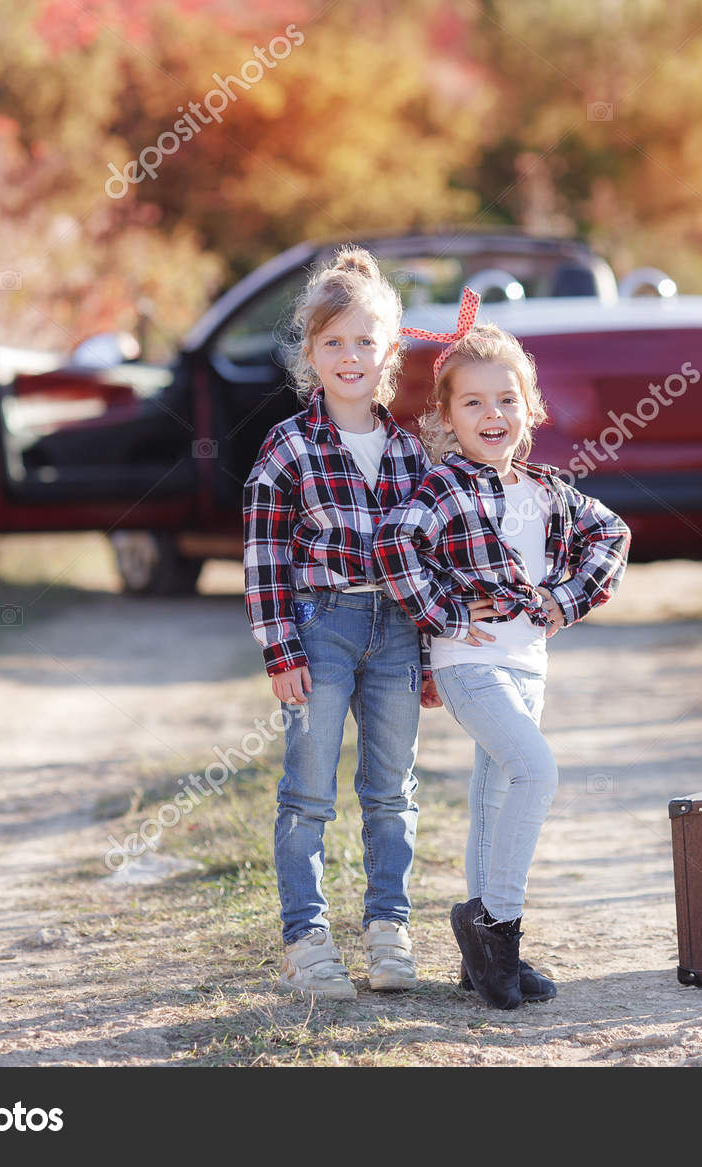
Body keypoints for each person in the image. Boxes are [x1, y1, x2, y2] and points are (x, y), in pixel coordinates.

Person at [375, 295, 630, 1009]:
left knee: (493, 797)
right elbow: (396, 544)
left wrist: (563, 599)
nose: (494, 415)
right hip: (469, 665)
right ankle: (497, 923)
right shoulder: (446, 487)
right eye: (474, 404)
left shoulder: (549, 490)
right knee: (536, 771)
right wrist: (447, 615)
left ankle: (484, 961)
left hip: (527, 662)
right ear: (446, 417)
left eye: (507, 400)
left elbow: (612, 536)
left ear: (530, 408)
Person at [243, 246, 436, 999]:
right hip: (321, 625)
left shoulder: (412, 449)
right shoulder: (289, 445)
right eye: (333, 343)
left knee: (392, 789)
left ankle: (388, 927)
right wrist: (279, 647)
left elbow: (432, 550)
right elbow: (262, 555)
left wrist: (432, 645)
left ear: (390, 350)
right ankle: (306, 938)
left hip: (396, 629)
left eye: (364, 341)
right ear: (310, 354)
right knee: (308, 792)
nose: (349, 356)